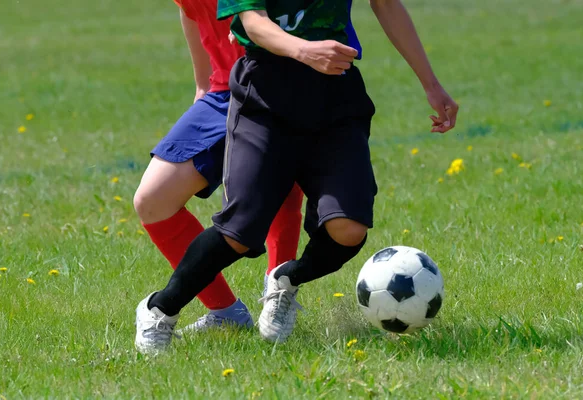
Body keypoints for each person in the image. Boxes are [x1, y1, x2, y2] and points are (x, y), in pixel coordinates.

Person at [135, 0, 459, 353]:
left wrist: (432, 84)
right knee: (239, 230)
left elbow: (386, 4)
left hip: (336, 95)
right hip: (264, 92)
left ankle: (286, 279)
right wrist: (305, 51)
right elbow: (253, 23)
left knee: (349, 230)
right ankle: (159, 309)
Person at [133, 0, 303, 341]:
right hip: (224, 89)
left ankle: (279, 292)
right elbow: (191, 8)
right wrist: (202, 82)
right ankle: (226, 312)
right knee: (152, 200)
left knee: (283, 172)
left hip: (286, 83)